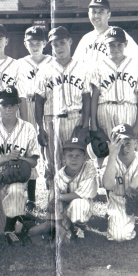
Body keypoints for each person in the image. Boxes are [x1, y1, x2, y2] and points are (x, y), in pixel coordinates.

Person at [0, 86, 39, 242]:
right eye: (5, 105)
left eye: (12, 105)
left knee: (17, 190)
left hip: (17, 178)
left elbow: (34, 160)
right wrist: (5, 158)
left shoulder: (28, 128)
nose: (8, 109)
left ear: (18, 105)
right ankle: (16, 219)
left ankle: (12, 225)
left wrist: (19, 160)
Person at [35, 26, 91, 188]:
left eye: (62, 43)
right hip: (52, 120)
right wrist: (40, 127)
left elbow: (87, 97)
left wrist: (85, 124)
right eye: (55, 44)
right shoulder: (44, 70)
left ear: (70, 42)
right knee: (53, 160)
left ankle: (77, 195)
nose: (59, 47)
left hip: (75, 118)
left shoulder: (82, 67)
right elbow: (39, 101)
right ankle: (54, 196)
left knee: (78, 158)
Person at [27, 138, 98, 245]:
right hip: (64, 209)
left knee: (78, 204)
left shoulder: (89, 169)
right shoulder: (60, 174)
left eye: (78, 156)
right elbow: (54, 196)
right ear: (64, 159)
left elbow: (80, 194)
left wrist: (59, 197)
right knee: (53, 212)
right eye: (70, 156)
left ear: (84, 158)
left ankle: (78, 230)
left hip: (82, 207)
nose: (74, 159)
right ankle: (59, 229)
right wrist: (54, 203)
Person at [16, 26, 53, 209]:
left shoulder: (53, 62)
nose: (35, 45)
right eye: (31, 42)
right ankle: (31, 198)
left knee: (49, 151)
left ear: (45, 43)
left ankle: (52, 192)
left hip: (47, 106)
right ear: (25, 44)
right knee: (28, 150)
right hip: (26, 104)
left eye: (38, 42)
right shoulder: (19, 64)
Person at [90, 27, 138, 140]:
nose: (115, 48)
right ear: (105, 45)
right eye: (111, 45)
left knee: (128, 150)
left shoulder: (136, 64)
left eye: (119, 45)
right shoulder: (98, 65)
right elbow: (94, 96)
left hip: (129, 109)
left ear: (126, 44)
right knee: (108, 150)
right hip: (105, 110)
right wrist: (94, 124)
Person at [73, 0, 138, 69]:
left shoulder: (117, 33)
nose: (96, 15)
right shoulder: (86, 39)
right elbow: (75, 65)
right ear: (89, 14)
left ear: (108, 15)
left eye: (101, 12)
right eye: (93, 12)